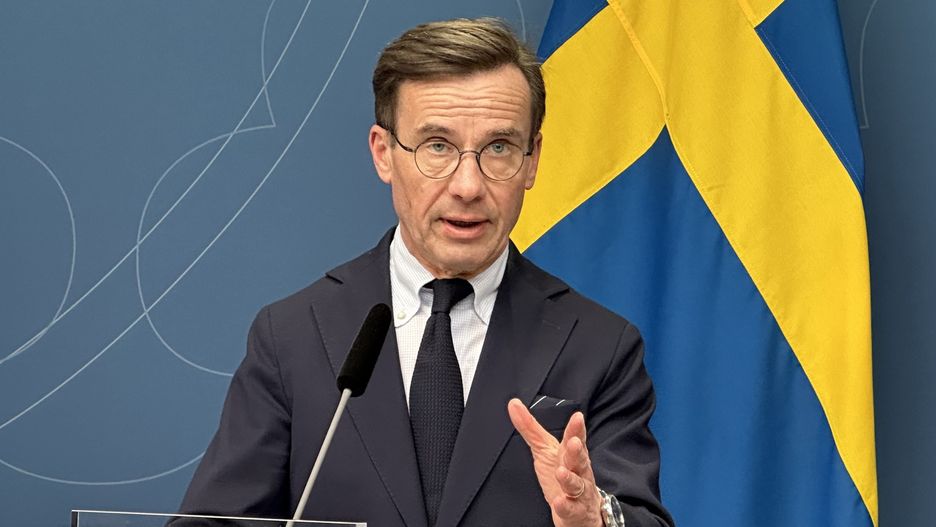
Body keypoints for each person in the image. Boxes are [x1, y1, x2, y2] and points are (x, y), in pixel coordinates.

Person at [178, 18, 674, 527]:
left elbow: (640, 516)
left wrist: (596, 519)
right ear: (383, 153)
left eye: (499, 148)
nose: (468, 186)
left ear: (532, 161)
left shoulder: (599, 346)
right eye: (437, 145)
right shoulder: (292, 336)